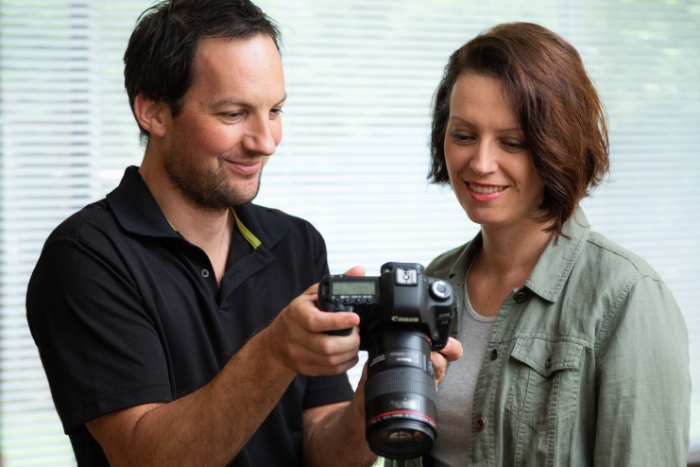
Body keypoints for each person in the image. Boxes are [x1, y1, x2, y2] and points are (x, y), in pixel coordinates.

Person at [25, 1, 461, 466]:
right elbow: (145, 458)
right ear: (153, 112)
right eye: (234, 114)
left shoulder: (296, 244)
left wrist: (368, 403)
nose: (266, 140)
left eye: (273, 110)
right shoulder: (88, 257)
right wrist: (274, 352)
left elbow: (321, 453)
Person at [414, 22, 690, 467]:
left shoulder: (627, 297)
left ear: (557, 147)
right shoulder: (434, 280)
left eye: (513, 142)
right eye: (463, 135)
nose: (481, 163)